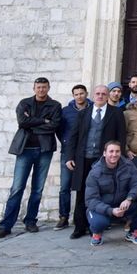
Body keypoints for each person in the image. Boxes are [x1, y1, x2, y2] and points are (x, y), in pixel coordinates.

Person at [0, 77, 62, 239]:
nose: (41, 90)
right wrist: (42, 121)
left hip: (44, 150)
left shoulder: (55, 105)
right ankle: (6, 225)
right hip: (24, 150)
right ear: (34, 88)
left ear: (48, 88)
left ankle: (30, 221)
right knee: (17, 188)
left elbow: (53, 125)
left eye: (44, 87)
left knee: (37, 189)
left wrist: (32, 123)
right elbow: (22, 122)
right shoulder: (24, 103)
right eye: (38, 87)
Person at [66, 85, 127, 239]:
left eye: (103, 94)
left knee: (102, 191)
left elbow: (121, 137)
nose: (100, 96)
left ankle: (98, 225)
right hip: (83, 158)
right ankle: (79, 227)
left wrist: (119, 157)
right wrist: (69, 156)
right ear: (93, 95)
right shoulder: (83, 113)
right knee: (81, 192)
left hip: (104, 160)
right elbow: (73, 136)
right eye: (98, 93)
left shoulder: (116, 113)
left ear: (108, 96)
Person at [84, 141, 137, 246]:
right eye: (111, 151)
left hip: (123, 204)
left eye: (117, 151)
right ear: (104, 153)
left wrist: (129, 199)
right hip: (103, 208)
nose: (114, 154)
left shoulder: (128, 165)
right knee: (99, 223)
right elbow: (91, 200)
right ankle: (97, 232)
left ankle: (132, 230)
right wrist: (111, 210)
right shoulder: (94, 173)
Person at [55, 84, 90, 230]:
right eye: (76, 94)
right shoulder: (66, 111)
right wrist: (65, 142)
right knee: (65, 186)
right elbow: (59, 129)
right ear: (73, 96)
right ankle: (64, 217)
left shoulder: (92, 109)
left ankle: (83, 217)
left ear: (86, 94)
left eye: (82, 93)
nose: (79, 96)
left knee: (86, 186)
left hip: (85, 153)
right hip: (68, 153)